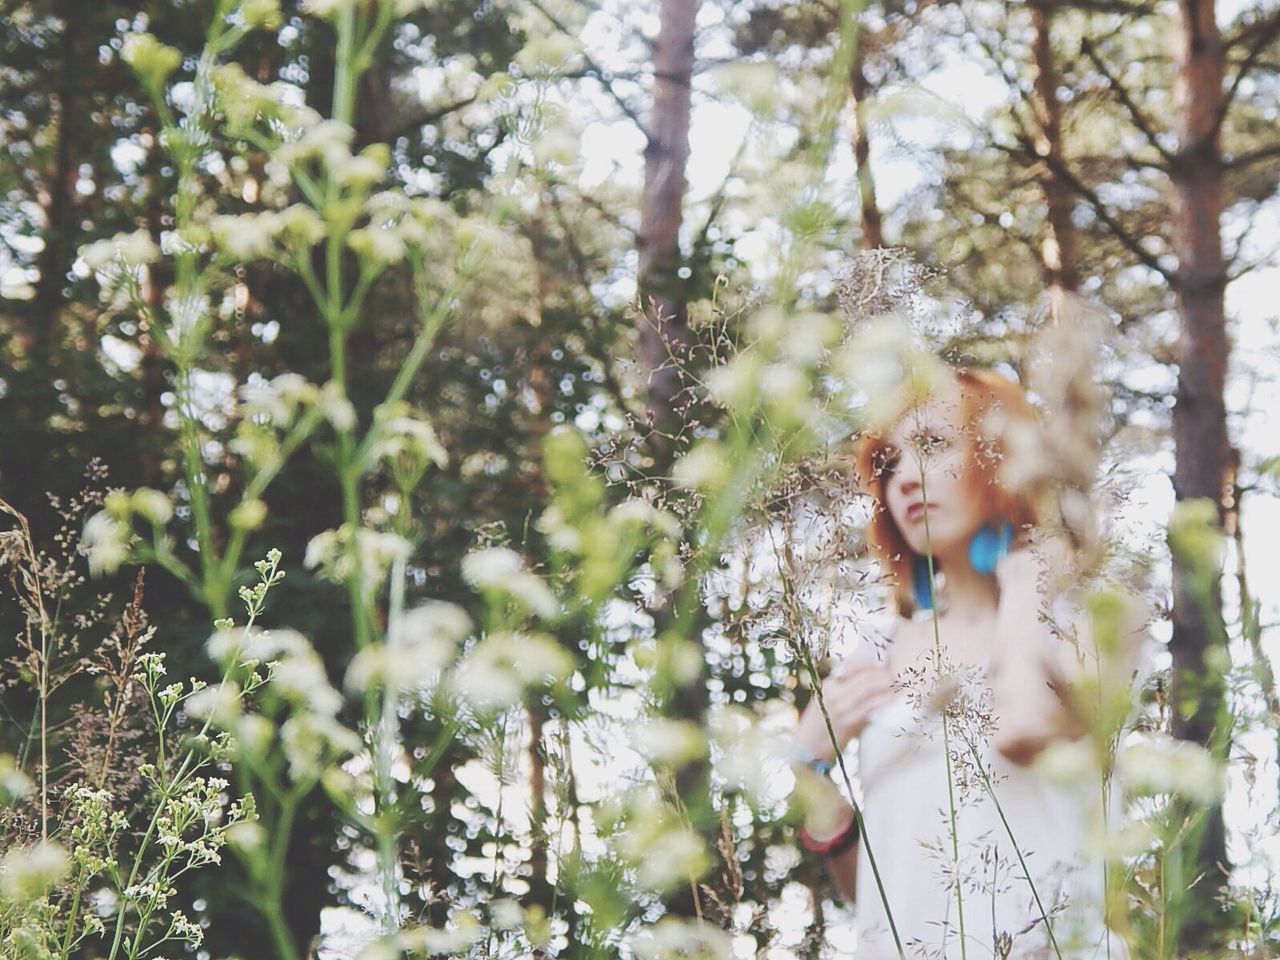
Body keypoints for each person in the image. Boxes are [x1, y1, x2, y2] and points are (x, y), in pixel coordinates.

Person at [791, 367, 1124, 959]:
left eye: (934, 446)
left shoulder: (1077, 623)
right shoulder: (875, 648)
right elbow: (871, 895)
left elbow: (1020, 730)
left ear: (1006, 458)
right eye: (889, 463)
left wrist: (1024, 583)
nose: (906, 481)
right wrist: (810, 770)